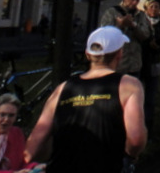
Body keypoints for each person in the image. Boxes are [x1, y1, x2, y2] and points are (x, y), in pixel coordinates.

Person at [25, 26, 147, 173]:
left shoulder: (62, 89)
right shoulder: (128, 85)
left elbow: (33, 147)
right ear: (119, 54)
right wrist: (130, 156)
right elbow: (136, 139)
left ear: (88, 54)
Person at [100, 0, 151, 77]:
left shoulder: (141, 15)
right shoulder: (111, 12)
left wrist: (133, 26)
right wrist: (120, 25)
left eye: (138, 0)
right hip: (117, 64)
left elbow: (145, 35)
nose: (135, 3)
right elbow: (104, 35)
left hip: (134, 64)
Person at [140, 0, 160, 134]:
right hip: (138, 61)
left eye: (157, 7)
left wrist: (156, 47)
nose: (154, 9)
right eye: (151, 6)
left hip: (153, 61)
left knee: (150, 98)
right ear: (146, 8)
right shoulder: (140, 21)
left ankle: (148, 128)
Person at [0, 93, 38, 173]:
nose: (6, 119)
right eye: (2, 115)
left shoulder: (16, 134)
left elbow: (20, 166)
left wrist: (34, 167)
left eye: (11, 115)